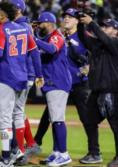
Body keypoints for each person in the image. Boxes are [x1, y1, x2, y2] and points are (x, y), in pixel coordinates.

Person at [33, 8, 94, 162]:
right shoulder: (57, 36)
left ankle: (75, 153)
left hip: (70, 82)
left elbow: (95, 53)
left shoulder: (66, 36)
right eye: (64, 16)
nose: (66, 19)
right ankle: (56, 152)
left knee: (75, 118)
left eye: (70, 17)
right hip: (58, 81)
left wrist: (90, 67)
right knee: (53, 118)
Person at [0, 1, 44, 167]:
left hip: (5, 78)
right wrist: (39, 74)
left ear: (4, 14)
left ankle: (6, 158)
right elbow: (34, 53)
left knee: (5, 120)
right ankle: (18, 151)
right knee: (16, 115)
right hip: (21, 78)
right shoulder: (23, 29)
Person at [78, 16, 118, 166]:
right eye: (102, 26)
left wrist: (91, 23)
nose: (103, 29)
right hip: (96, 91)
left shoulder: (115, 42)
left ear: (116, 31)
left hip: (113, 91)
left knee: (116, 126)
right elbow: (83, 37)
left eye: (107, 26)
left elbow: (105, 39)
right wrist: (82, 25)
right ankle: (94, 153)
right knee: (89, 120)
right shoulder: (97, 44)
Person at [34, 12, 72, 166]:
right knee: (54, 119)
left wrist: (34, 39)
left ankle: (64, 154)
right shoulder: (48, 38)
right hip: (53, 82)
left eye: (40, 23)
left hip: (58, 82)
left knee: (57, 120)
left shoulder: (55, 36)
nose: (38, 26)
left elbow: (52, 50)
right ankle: (56, 152)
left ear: (48, 24)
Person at [10, 0, 42, 162]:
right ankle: (30, 143)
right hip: (24, 74)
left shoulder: (21, 26)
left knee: (16, 112)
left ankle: (21, 152)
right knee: (18, 111)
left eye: (11, 8)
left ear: (19, 10)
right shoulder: (25, 25)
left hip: (24, 74)